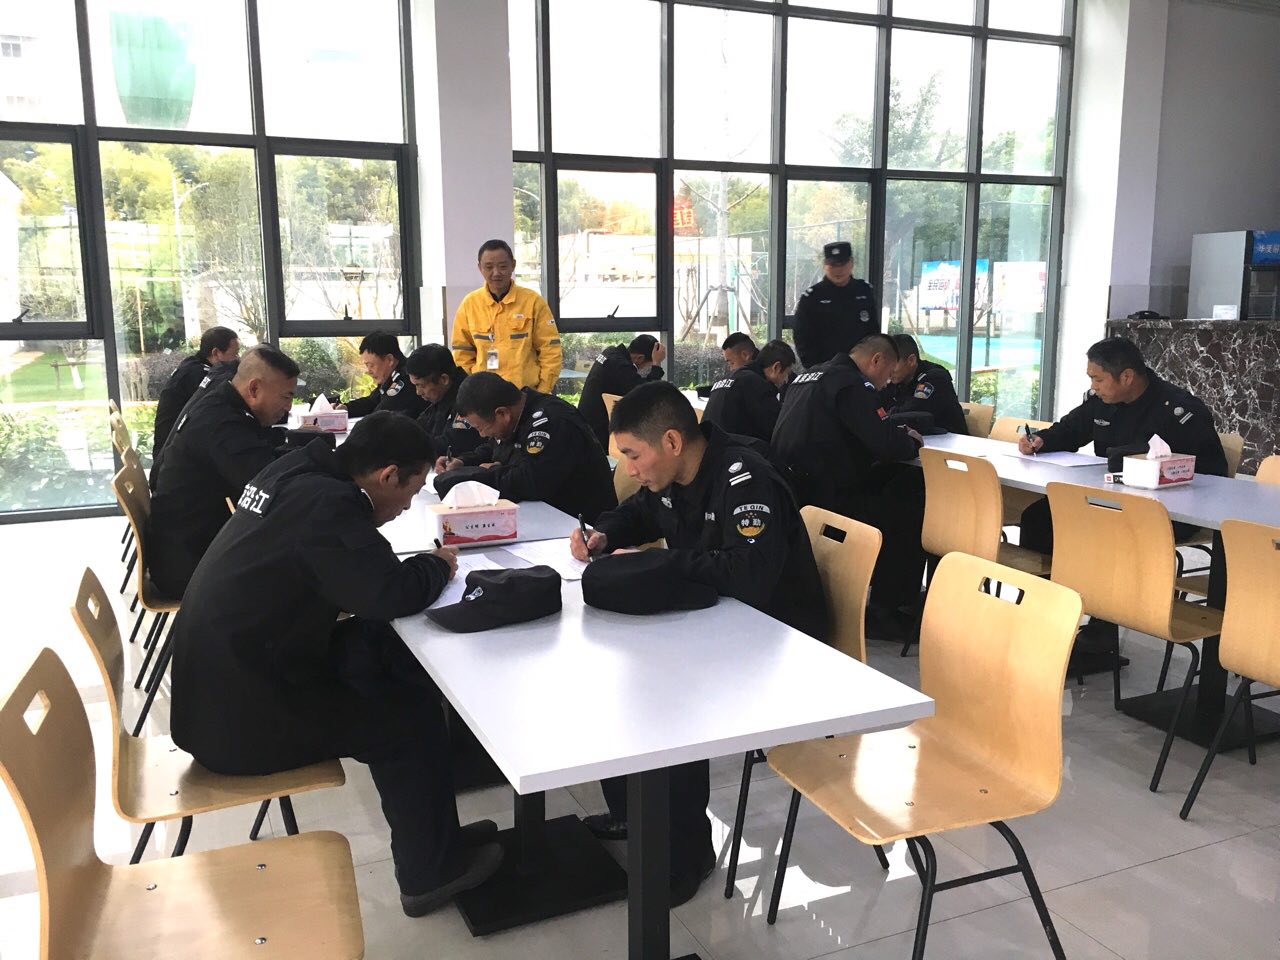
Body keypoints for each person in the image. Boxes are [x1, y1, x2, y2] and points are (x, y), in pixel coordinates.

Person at [169, 413, 503, 918]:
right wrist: (437, 563)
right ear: (387, 475)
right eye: (410, 492)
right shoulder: (328, 504)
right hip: (241, 721)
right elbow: (388, 592)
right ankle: (430, 874)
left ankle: (436, 834)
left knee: (385, 655)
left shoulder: (296, 470)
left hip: (224, 682)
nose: (406, 506)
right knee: (406, 724)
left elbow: (356, 580)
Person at [569, 381, 828, 905]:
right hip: (720, 623)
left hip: (777, 644)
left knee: (666, 701)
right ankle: (633, 814)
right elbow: (641, 512)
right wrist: (604, 534)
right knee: (621, 677)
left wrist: (659, 562)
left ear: (671, 441)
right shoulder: (675, 474)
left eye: (633, 455)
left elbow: (748, 577)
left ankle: (685, 857)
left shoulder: (744, 478)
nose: (630, 469)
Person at [771, 334, 925, 633]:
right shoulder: (850, 384)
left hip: (793, 492)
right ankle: (887, 612)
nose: (887, 383)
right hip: (828, 497)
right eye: (887, 374)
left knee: (890, 488)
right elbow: (885, 443)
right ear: (876, 361)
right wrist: (911, 442)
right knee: (909, 508)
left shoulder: (809, 375)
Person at [1018, 336, 1229, 553]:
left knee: (1090, 529)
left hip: (1160, 509)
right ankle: (1054, 576)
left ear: (1127, 376)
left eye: (1098, 379)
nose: (1093, 387)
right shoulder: (1102, 402)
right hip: (1108, 497)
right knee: (1039, 519)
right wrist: (1041, 440)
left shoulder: (1177, 409)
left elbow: (1213, 472)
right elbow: (1070, 430)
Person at [148, 345, 300, 598]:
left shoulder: (223, 405)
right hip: (188, 568)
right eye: (286, 397)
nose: (289, 407)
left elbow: (262, 455)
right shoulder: (220, 424)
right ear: (254, 389)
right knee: (303, 575)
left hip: (192, 547)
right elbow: (270, 485)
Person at [434, 371, 616, 523]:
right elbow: (494, 448)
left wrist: (475, 476)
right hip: (539, 515)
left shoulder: (553, 422)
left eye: (480, 428)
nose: (482, 435)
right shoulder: (517, 414)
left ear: (502, 413)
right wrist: (463, 462)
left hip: (578, 524)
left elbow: (529, 481)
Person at [451, 239, 562, 392]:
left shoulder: (533, 302)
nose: (496, 273)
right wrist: (472, 389)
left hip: (524, 394)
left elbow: (550, 351)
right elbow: (461, 353)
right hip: (483, 394)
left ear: (513, 265)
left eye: (502, 266)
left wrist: (541, 392)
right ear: (480, 268)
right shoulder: (470, 304)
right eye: (489, 267)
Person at [152, 326, 241, 455]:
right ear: (216, 353)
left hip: (170, 450)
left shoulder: (191, 365)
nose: (238, 359)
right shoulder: (200, 376)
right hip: (173, 455)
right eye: (236, 353)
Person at [792, 241, 879, 370]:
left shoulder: (864, 291)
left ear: (851, 263)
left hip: (860, 368)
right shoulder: (812, 297)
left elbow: (873, 331)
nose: (838, 270)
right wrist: (815, 368)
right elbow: (802, 337)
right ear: (825, 265)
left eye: (842, 264)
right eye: (833, 265)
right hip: (824, 369)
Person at [577, 334, 667, 449]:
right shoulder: (620, 366)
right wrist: (657, 364)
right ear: (640, 358)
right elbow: (647, 394)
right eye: (647, 366)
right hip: (598, 435)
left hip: (586, 425)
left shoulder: (610, 353)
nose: (643, 370)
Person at [702, 337, 795, 443]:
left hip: (710, 445)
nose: (786, 380)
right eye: (787, 373)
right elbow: (777, 428)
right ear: (776, 367)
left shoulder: (727, 379)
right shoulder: (757, 384)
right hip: (731, 449)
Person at [404, 343, 483, 461]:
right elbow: (419, 428)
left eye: (422, 386)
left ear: (444, 379)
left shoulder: (469, 398)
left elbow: (454, 443)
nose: (418, 392)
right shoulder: (440, 397)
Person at [883, 333, 968, 435]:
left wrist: (885, 414)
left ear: (911, 360)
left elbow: (913, 412)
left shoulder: (935, 378)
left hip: (949, 439)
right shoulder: (896, 379)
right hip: (917, 437)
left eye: (893, 363)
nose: (888, 368)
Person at [340, 332, 426, 418]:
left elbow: (381, 415)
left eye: (371, 365)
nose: (368, 371)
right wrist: (346, 408)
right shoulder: (389, 377)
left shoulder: (406, 379)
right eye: (367, 366)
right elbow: (372, 401)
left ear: (390, 359)